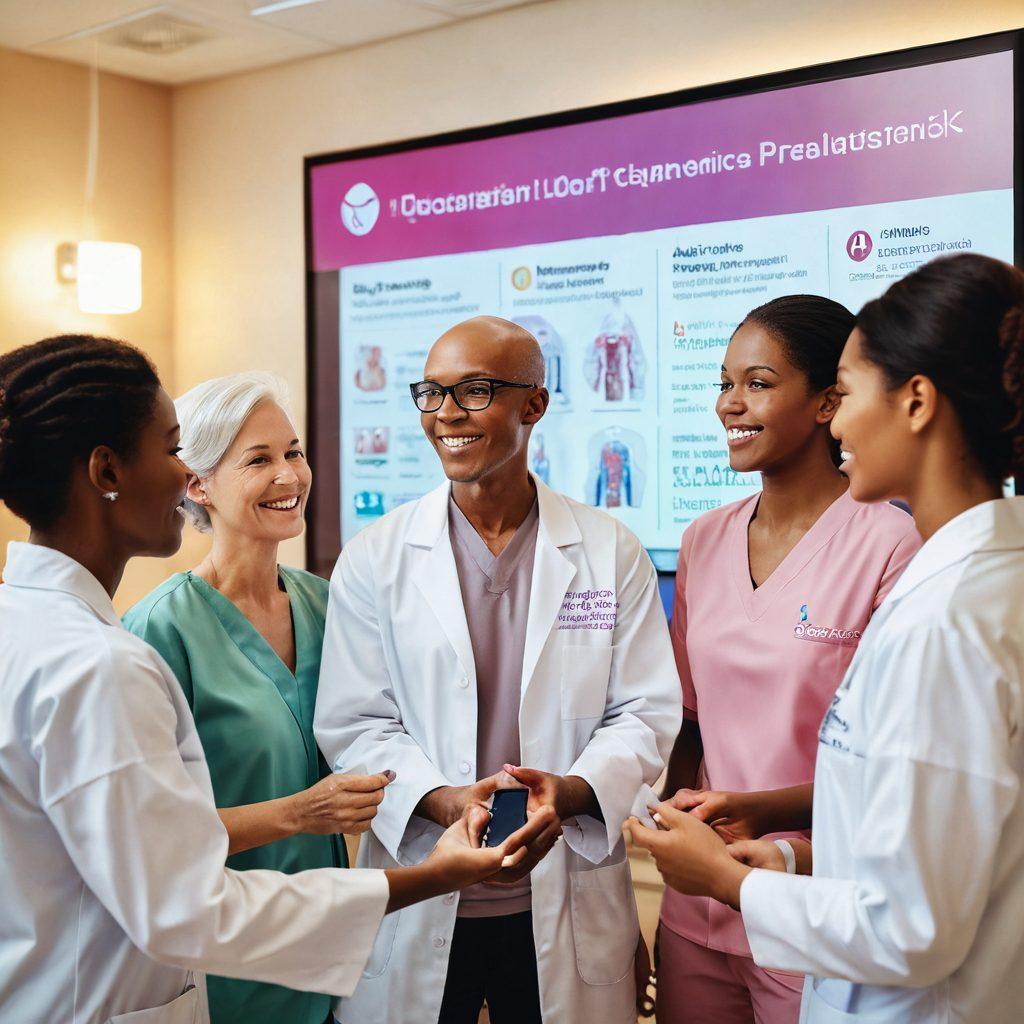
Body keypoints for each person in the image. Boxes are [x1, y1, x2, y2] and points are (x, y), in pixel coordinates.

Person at [0, 334, 554, 1024]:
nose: (182, 476)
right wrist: (425, 877)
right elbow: (183, 900)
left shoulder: (32, 628)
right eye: (172, 451)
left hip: (282, 963)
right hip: (178, 979)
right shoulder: (110, 660)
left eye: (293, 452)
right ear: (107, 469)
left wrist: (441, 800)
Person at [630, 253, 1024, 1023]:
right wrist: (784, 852)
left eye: (848, 393)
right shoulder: (965, 584)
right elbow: (907, 822)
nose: (840, 421)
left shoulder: (944, 616)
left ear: (915, 402)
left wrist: (736, 882)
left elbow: (909, 925)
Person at [314, 316, 681, 1024]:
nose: (446, 413)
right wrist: (444, 800)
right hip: (422, 881)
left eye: (474, 391)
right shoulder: (375, 557)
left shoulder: (609, 550)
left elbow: (644, 712)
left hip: (563, 889)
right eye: (431, 393)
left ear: (534, 404)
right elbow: (356, 723)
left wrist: (570, 793)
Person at [656, 296, 920, 1023]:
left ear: (828, 401)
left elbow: (888, 766)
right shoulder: (704, 539)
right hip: (697, 901)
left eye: (759, 383)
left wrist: (764, 821)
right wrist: (673, 830)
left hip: (814, 897)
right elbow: (690, 723)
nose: (730, 404)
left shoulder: (889, 544)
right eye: (724, 382)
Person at [124, 372, 383, 1024]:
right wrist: (301, 812)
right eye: (259, 460)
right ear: (197, 484)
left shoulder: (326, 604)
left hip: (331, 950)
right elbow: (147, 837)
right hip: (224, 959)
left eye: (293, 452)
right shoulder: (159, 630)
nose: (289, 475)